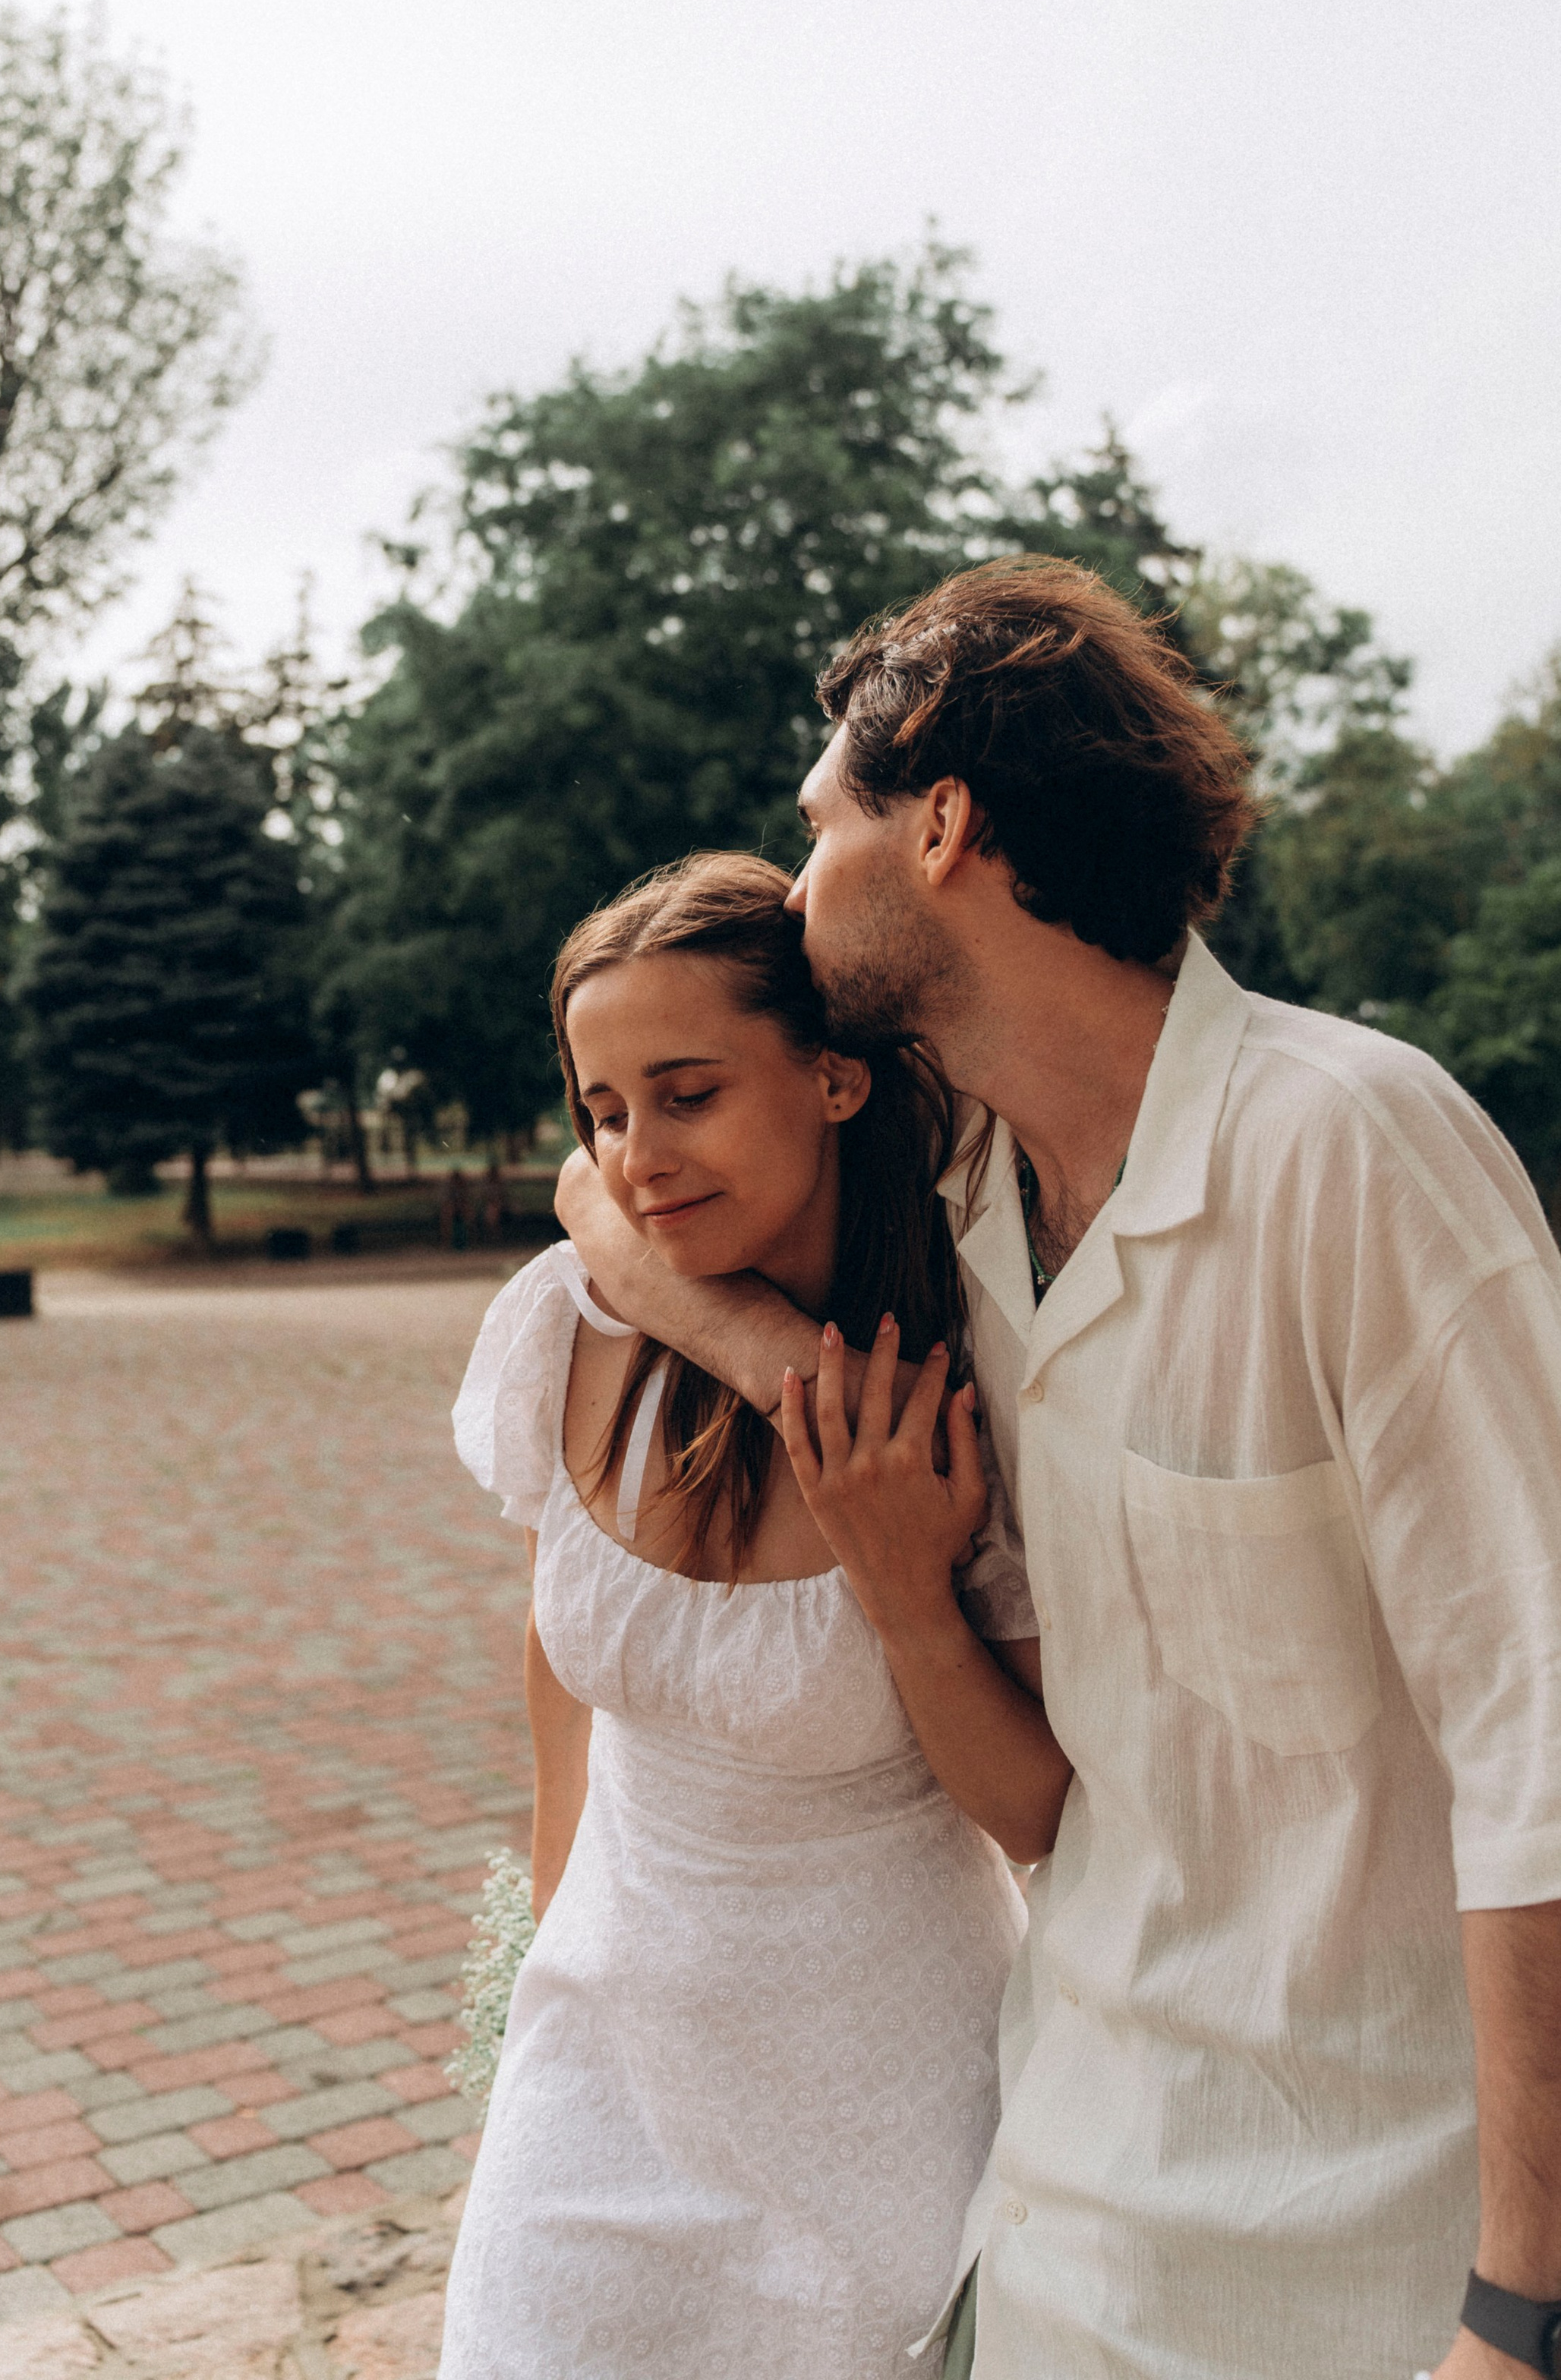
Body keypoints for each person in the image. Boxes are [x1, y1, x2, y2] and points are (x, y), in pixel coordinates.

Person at [558, 558, 1561, 2380]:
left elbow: (1540, 1756)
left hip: (1361, 2277)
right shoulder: (958, 1193)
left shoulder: (1351, 1150)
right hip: (1057, 2219)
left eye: (821, 829)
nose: (795, 887)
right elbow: (600, 1202)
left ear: (941, 823)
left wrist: (1520, 2309)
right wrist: (778, 1367)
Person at [439, 854, 1072, 2380]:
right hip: (597, 2072)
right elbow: (561, 1675)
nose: (638, 1157)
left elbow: (1042, 1814)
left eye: (689, 1094)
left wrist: (906, 1593)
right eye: (605, 1110)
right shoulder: (571, 1330)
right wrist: (546, 1958)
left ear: (835, 1079)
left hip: (876, 2111)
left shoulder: (961, 1401)